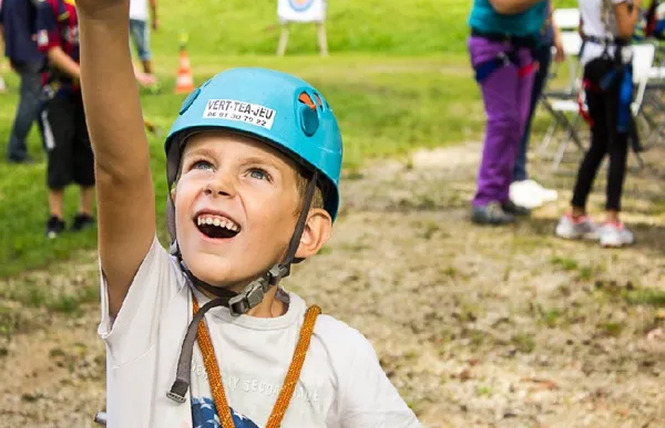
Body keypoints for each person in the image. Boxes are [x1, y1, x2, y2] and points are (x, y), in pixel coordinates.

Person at [77, 1, 423, 427]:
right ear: (173, 197)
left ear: (307, 232)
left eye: (257, 173)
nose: (218, 184)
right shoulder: (148, 301)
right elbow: (119, 173)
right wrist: (102, 18)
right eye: (201, 164)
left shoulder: (337, 354)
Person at [555, 0, 642, 247]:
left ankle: (576, 212)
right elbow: (625, 29)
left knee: (599, 141)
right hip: (613, 64)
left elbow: (584, 27)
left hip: (592, 60)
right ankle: (612, 219)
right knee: (617, 142)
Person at [468, 0, 548, 225]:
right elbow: (503, 5)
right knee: (503, 121)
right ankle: (485, 198)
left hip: (523, 45)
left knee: (516, 124)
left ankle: (500, 194)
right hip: (494, 45)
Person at [36, 0, 95, 238]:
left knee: (87, 147)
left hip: (87, 94)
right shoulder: (49, 8)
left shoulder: (90, 6)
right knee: (58, 148)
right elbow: (53, 52)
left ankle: (85, 212)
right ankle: (56, 216)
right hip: (58, 91)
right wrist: (84, 75)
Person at [509, 0, 564, 209]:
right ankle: (512, 177)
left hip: (542, 39)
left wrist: (555, 33)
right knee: (514, 113)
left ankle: (520, 174)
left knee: (527, 111)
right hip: (522, 40)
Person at [0, 0, 45, 163]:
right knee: (31, 101)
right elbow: (44, 8)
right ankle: (16, 151)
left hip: (17, 49)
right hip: (31, 51)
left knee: (40, 98)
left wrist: (10, 49)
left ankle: (50, 143)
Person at [129, 0, 157, 79]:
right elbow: (153, 2)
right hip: (140, 16)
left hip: (126, 16)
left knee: (126, 50)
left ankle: (129, 78)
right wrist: (155, 17)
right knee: (144, 49)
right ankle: (149, 77)